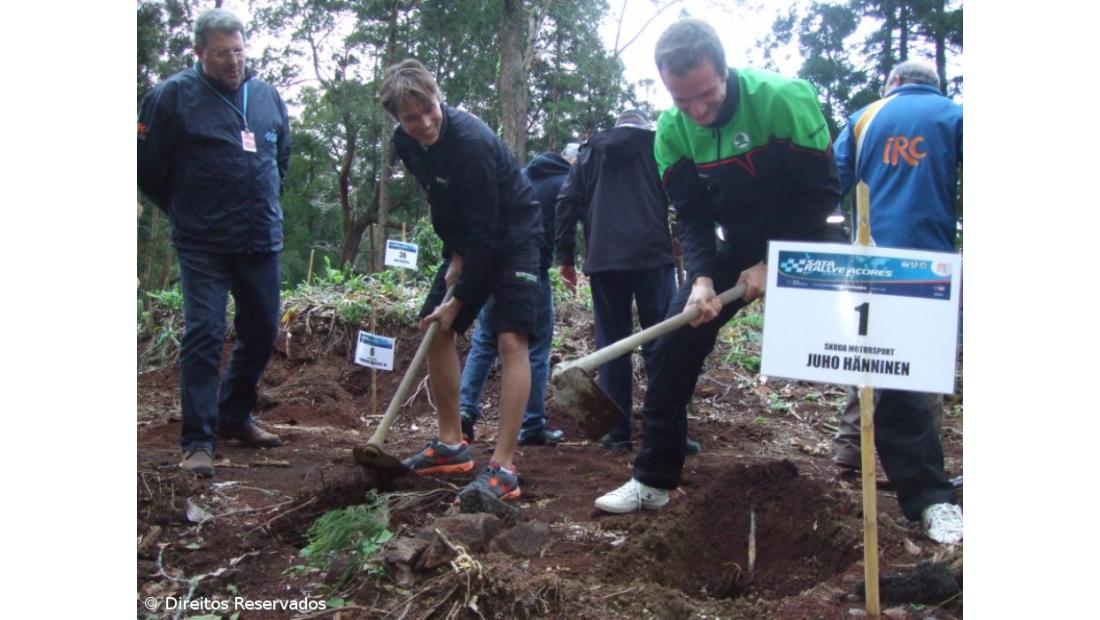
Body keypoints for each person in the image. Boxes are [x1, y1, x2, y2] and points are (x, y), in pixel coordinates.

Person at [594, 18, 843, 512]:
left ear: (725, 70)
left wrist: (777, 262)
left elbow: (822, 195)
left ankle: (926, 494)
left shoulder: (783, 99)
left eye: (706, 94)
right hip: (738, 247)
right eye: (683, 100)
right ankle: (653, 481)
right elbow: (692, 214)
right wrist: (702, 277)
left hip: (812, 236)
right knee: (671, 345)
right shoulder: (670, 131)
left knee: (878, 344)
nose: (698, 110)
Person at [381, 59, 542, 507]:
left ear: (439, 97)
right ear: (398, 119)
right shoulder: (406, 143)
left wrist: (463, 294)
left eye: (430, 109)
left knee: (511, 338)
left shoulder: (469, 141)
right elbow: (444, 201)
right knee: (434, 329)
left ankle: (504, 467)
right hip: (473, 237)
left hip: (515, 236)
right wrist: (455, 253)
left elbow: (490, 231)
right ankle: (452, 445)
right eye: (411, 118)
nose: (424, 122)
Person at [137, 8, 290, 478]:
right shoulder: (170, 97)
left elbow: (279, 157)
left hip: (260, 236)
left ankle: (233, 414)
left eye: (239, 52)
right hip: (202, 240)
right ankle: (198, 440)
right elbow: (145, 168)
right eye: (222, 53)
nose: (233, 62)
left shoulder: (266, 96)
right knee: (204, 332)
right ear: (200, 53)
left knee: (262, 329)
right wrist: (184, 209)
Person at [829, 59, 964, 544]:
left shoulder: (864, 118)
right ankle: (929, 487)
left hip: (870, 261)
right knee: (919, 371)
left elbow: (832, 183)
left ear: (893, 84)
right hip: (930, 265)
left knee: (868, 354)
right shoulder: (954, 115)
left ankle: (850, 454)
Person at [555, 109, 696, 455]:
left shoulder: (589, 153)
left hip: (604, 261)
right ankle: (667, 432)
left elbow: (566, 201)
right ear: (644, 126)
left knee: (612, 345)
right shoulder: (658, 147)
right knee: (663, 345)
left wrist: (565, 258)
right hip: (652, 257)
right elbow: (684, 197)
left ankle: (617, 434)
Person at [457, 143, 577, 446]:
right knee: (534, 346)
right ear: (574, 164)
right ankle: (531, 423)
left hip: (493, 265)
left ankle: (464, 411)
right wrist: (567, 260)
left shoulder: (523, 175)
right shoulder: (567, 183)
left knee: (484, 341)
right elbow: (566, 228)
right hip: (528, 268)